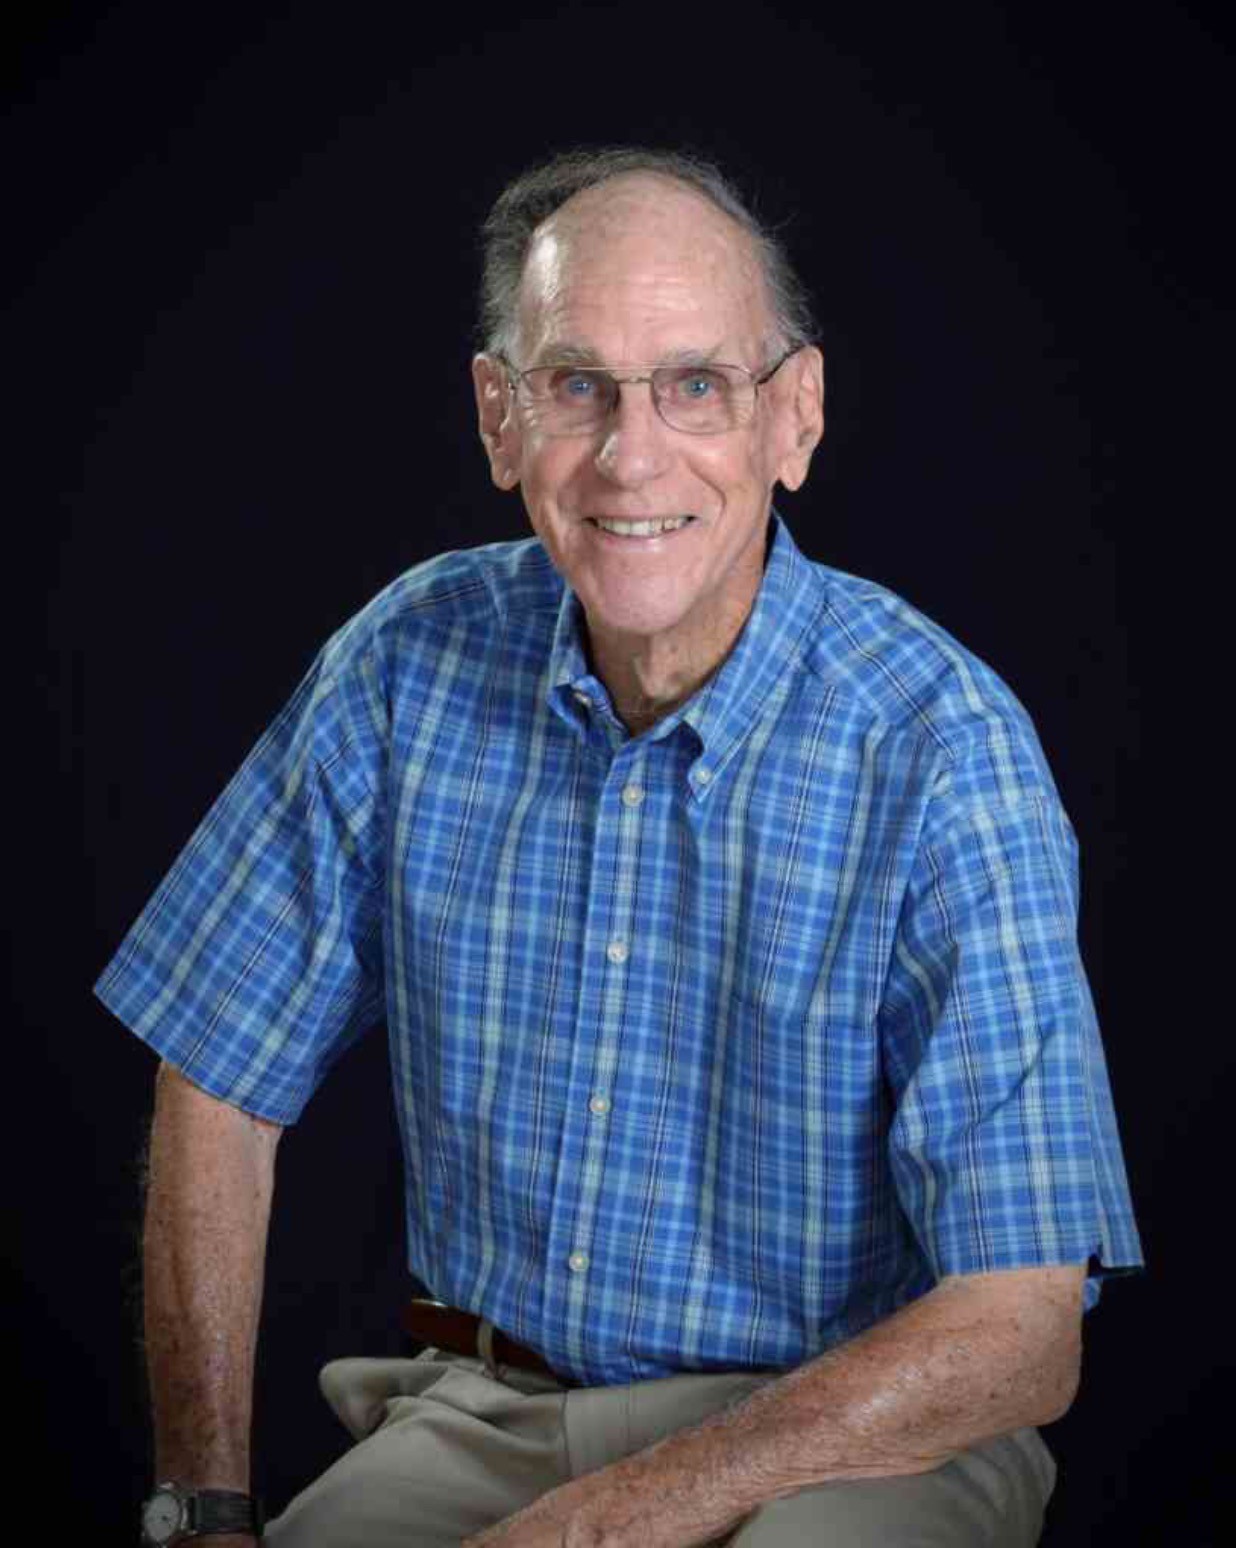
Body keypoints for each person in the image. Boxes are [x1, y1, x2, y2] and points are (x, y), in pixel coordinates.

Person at [97, 147, 1143, 1547]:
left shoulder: (944, 749)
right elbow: (216, 1076)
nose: (631, 455)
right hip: (488, 1415)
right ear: (500, 419)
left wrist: (601, 1527)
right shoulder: (406, 667)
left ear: (795, 418)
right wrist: (205, 1504)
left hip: (861, 1438)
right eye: (577, 385)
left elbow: (1022, 1329)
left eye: (696, 385)